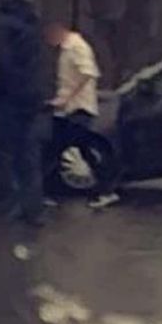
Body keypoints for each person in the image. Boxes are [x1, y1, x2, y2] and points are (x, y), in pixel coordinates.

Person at [0, 0, 46, 226]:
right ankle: (32, 207)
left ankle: (5, 206)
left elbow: (0, 63)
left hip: (5, 97)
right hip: (29, 95)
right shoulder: (31, 19)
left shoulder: (1, 23)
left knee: (1, 153)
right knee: (27, 153)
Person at [46, 20, 117, 208]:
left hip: (78, 109)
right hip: (69, 109)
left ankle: (105, 189)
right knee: (78, 149)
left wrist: (67, 98)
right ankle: (105, 190)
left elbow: (88, 73)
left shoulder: (77, 47)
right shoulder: (68, 48)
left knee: (57, 148)